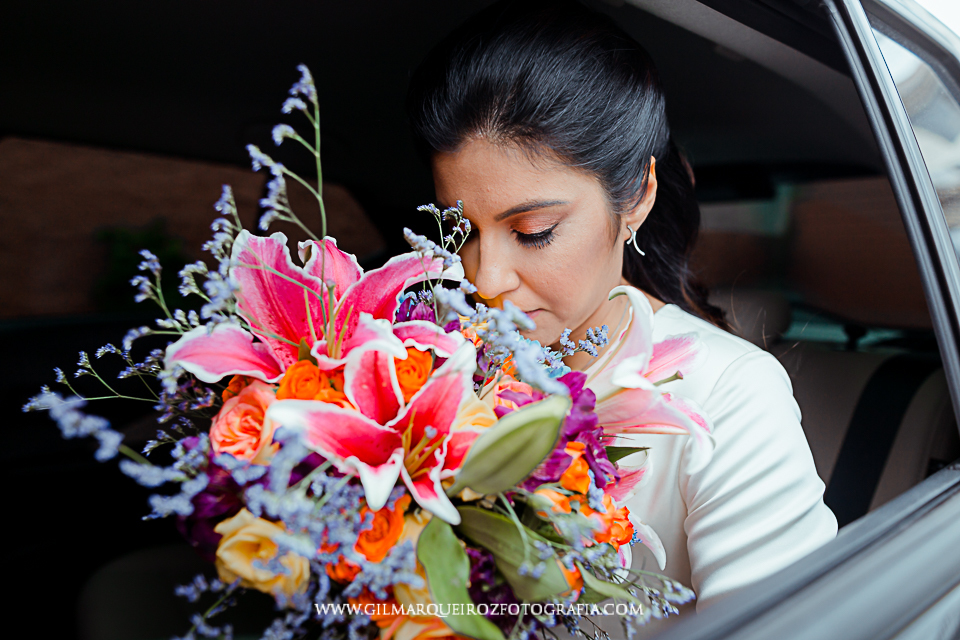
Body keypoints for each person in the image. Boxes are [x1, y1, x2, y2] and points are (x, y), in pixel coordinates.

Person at [406, 0, 838, 636]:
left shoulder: (729, 396)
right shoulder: (436, 361)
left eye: (534, 231)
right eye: (461, 231)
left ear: (636, 196)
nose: (485, 280)